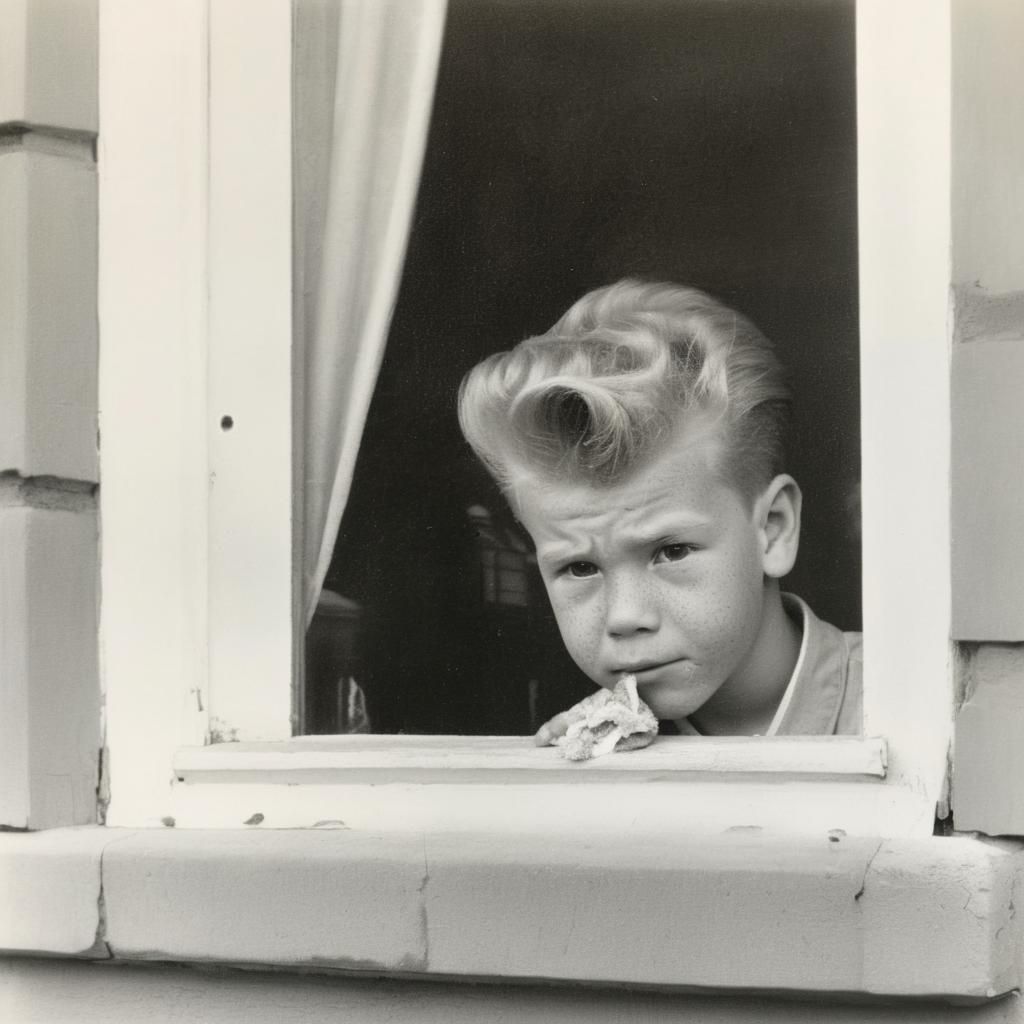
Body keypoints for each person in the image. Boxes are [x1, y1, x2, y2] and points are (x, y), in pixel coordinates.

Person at [457, 279, 861, 740]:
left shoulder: (909, 706)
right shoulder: (589, 740)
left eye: (671, 551)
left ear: (773, 529)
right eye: (580, 567)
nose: (624, 617)